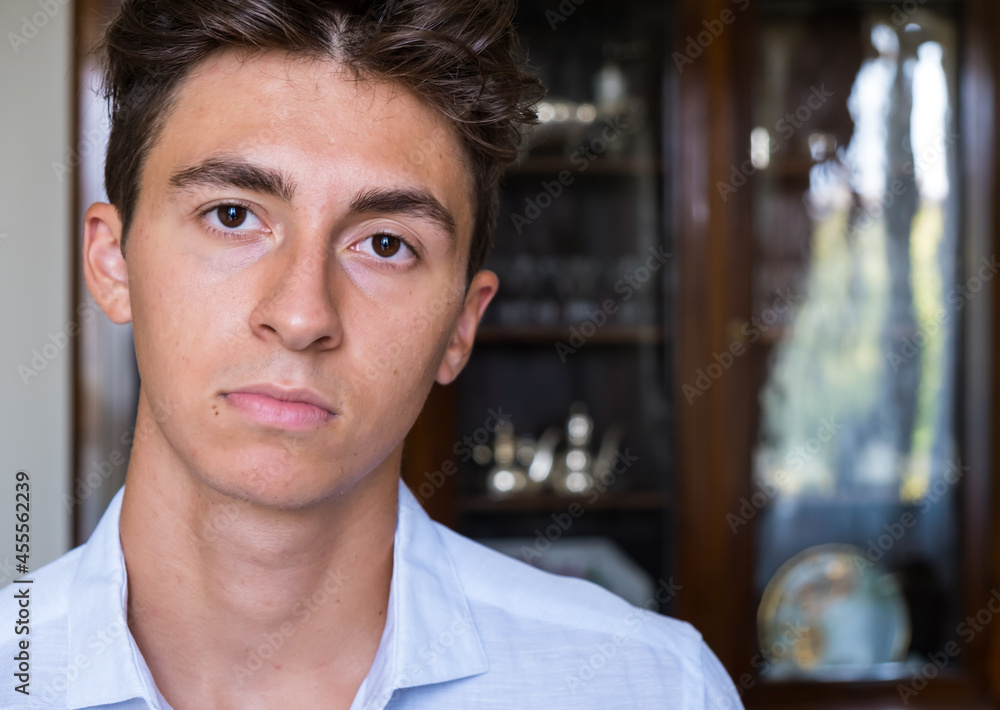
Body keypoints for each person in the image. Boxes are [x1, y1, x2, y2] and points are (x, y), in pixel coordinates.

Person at [1, 1, 743, 707]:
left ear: (461, 325)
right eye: (232, 215)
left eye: (385, 244)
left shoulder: (652, 690)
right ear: (112, 264)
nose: (302, 316)